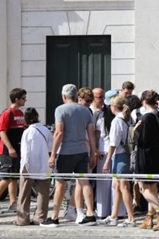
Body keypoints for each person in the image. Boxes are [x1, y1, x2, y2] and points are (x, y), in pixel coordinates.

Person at [43, 84, 98, 227]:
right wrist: (93, 152)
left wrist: (53, 154)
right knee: (84, 181)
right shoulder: (86, 111)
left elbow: (59, 133)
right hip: (82, 151)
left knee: (61, 183)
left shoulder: (60, 109)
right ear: (75, 96)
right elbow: (91, 133)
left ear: (63, 96)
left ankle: (54, 217)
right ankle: (90, 214)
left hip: (66, 151)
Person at [131, 90, 159, 230]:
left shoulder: (147, 118)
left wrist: (135, 130)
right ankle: (149, 217)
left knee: (143, 187)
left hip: (145, 155)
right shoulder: (157, 114)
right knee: (152, 187)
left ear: (144, 101)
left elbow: (142, 140)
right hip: (156, 153)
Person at [100, 95, 135, 227]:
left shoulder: (117, 121)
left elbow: (113, 143)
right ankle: (114, 215)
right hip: (125, 154)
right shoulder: (127, 119)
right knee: (117, 186)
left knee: (123, 187)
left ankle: (130, 217)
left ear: (113, 106)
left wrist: (107, 161)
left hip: (120, 156)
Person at [15, 108, 50, 227]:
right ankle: (40, 217)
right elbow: (50, 147)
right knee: (43, 193)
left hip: (29, 165)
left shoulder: (27, 132)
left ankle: (22, 219)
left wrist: (24, 166)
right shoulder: (45, 129)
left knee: (24, 193)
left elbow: (25, 152)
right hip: (44, 164)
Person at [0, 88, 27, 214]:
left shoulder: (20, 114)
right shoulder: (7, 113)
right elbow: (2, 132)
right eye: (23, 98)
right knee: (6, 177)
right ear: (16, 99)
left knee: (14, 177)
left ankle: (13, 203)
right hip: (8, 150)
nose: (25, 100)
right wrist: (10, 148)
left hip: (18, 149)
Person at [91, 88, 113, 219]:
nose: (101, 99)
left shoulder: (105, 113)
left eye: (102, 97)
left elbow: (97, 133)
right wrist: (94, 150)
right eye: (99, 97)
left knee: (105, 183)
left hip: (102, 151)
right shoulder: (93, 112)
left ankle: (104, 210)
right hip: (97, 150)